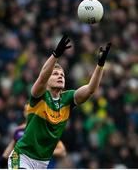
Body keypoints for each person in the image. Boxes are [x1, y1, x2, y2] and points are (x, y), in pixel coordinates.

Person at [8, 35, 111, 169]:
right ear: (48, 79)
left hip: (43, 162)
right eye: (55, 74)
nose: (60, 76)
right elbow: (43, 75)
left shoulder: (68, 98)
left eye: (62, 75)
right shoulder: (39, 94)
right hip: (22, 156)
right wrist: (55, 55)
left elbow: (91, 89)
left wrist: (100, 65)